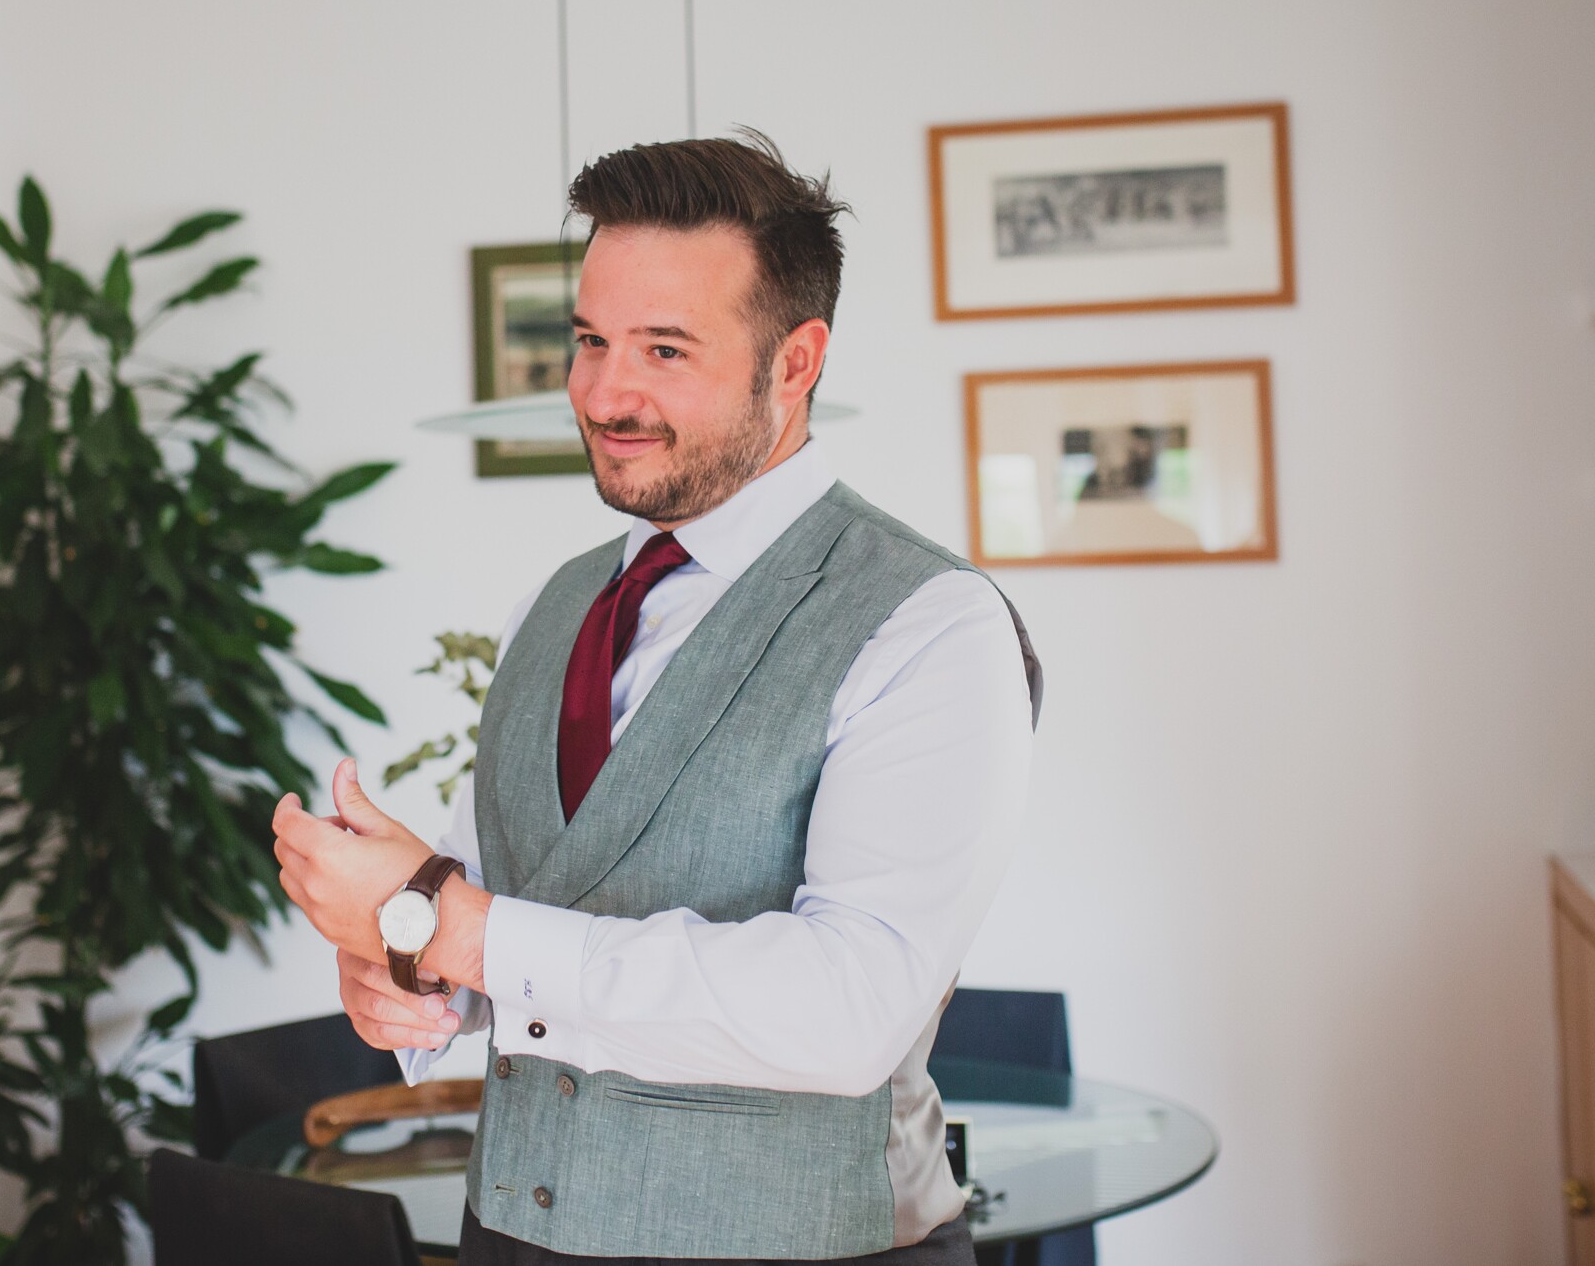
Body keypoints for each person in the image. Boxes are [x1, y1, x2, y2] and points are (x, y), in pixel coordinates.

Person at [273, 130, 1042, 1265]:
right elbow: (496, 911)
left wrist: (458, 929)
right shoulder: (566, 600)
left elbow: (850, 1008)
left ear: (795, 361)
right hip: (508, 1237)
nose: (602, 389)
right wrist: (411, 974)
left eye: (664, 349)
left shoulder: (927, 620)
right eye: (589, 339)